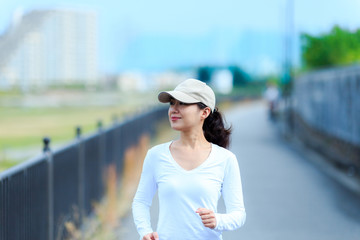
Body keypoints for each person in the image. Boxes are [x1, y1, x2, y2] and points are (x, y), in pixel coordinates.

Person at [132, 79, 246, 240]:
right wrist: (145, 231)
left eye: (183, 103)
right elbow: (141, 202)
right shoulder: (156, 155)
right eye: (172, 103)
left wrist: (218, 220)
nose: (174, 109)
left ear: (204, 112)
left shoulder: (225, 159)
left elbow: (238, 214)